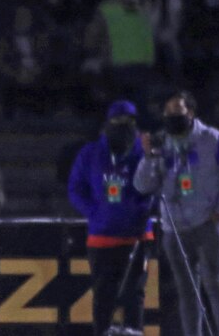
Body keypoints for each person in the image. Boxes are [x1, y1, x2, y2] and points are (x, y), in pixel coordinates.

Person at [135, 91, 219, 336]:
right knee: (186, 290)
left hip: (208, 225)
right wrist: (149, 157)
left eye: (177, 112)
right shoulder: (162, 143)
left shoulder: (213, 140)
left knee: (215, 284)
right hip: (174, 229)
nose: (171, 116)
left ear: (191, 113)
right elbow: (143, 185)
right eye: (167, 112)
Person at [68, 100, 154, 336]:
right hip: (102, 236)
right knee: (103, 297)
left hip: (136, 234)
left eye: (129, 122)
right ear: (108, 124)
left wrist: (140, 210)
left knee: (134, 297)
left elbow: (154, 186)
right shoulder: (91, 153)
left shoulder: (143, 152)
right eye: (118, 122)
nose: (124, 127)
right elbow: (75, 189)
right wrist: (94, 212)